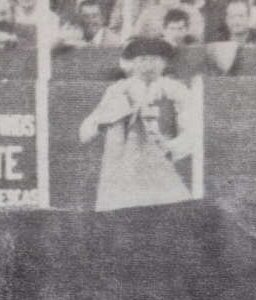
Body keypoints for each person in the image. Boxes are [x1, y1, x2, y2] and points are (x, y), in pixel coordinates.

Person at [79, 36, 195, 211]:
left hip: (162, 174)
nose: (148, 66)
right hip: (124, 174)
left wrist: (171, 147)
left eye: (154, 59)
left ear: (164, 63)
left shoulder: (176, 91)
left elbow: (192, 132)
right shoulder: (118, 91)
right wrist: (102, 122)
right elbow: (85, 132)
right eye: (142, 60)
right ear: (132, 64)